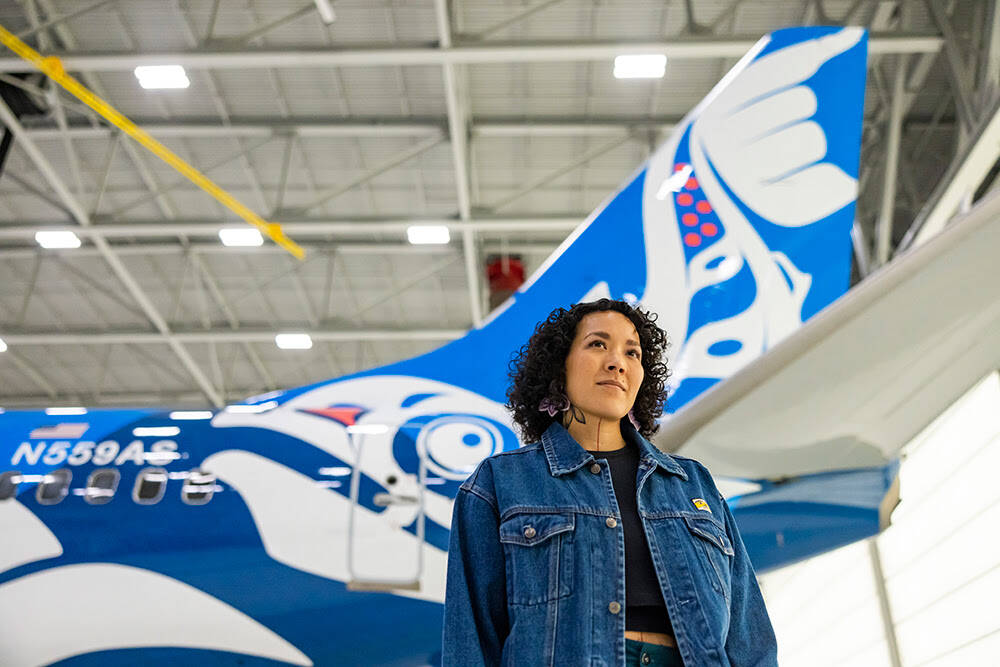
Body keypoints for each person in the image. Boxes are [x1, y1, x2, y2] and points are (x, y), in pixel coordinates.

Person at [442, 298, 778, 666]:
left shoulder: (694, 485)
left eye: (632, 353)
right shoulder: (499, 484)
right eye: (597, 344)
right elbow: (470, 643)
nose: (617, 362)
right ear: (559, 368)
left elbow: (750, 638)